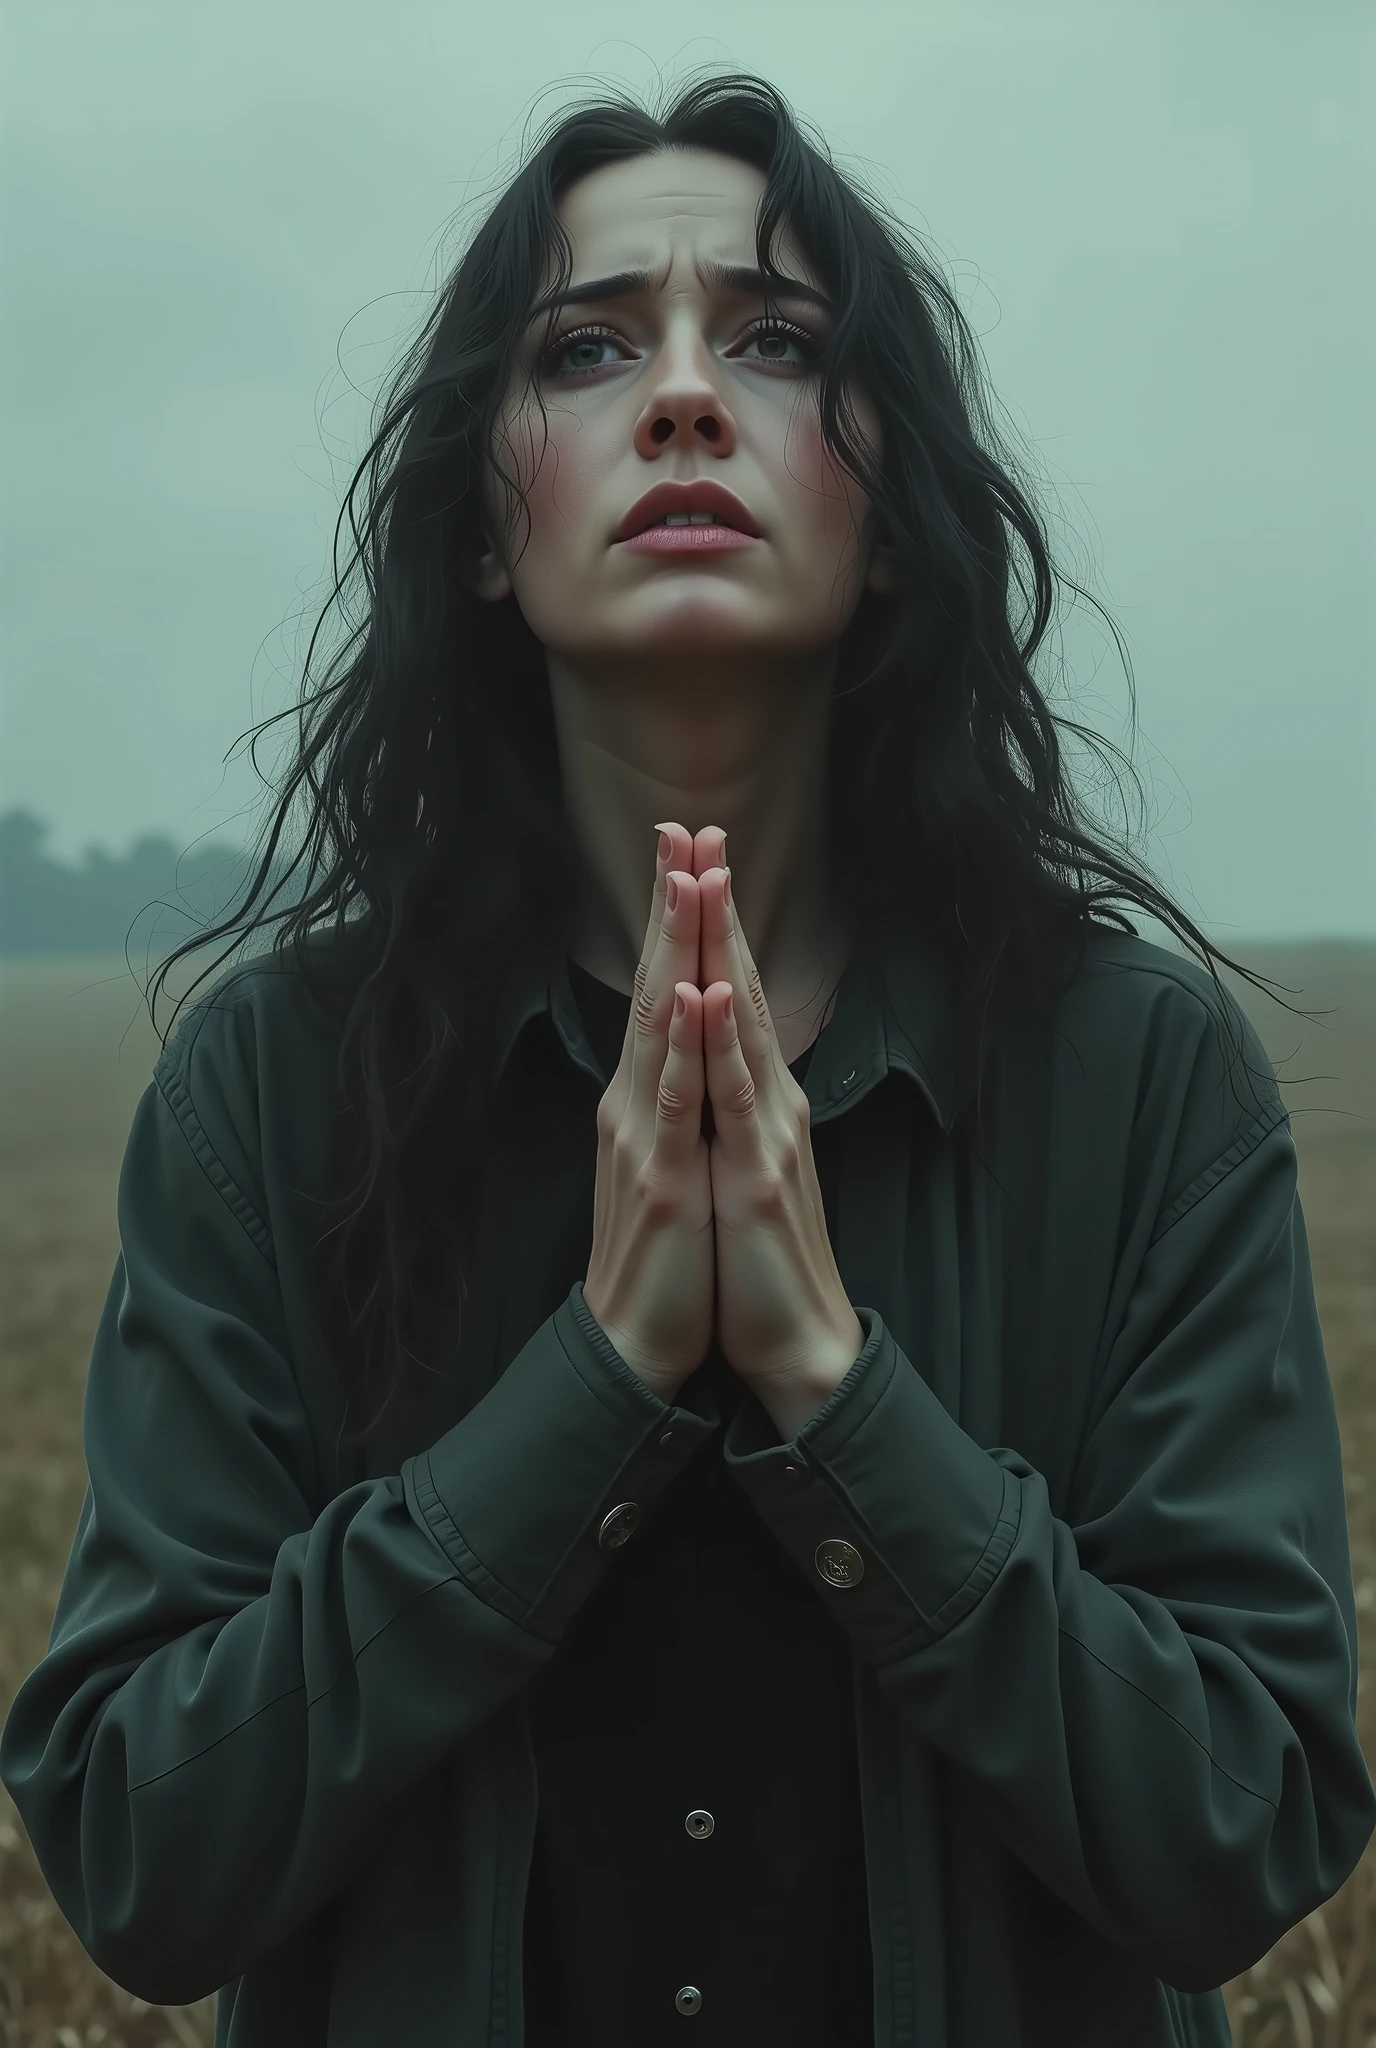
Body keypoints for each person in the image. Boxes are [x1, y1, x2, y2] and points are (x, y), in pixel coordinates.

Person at [1, 68, 1371, 2048]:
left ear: (890, 518)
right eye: (585, 346)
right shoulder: (271, 1096)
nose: (679, 393)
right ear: (483, 528)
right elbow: (137, 1849)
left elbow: (1240, 1829)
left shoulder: (1138, 1080)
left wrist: (830, 1380)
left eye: (777, 338)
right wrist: (597, 1380)